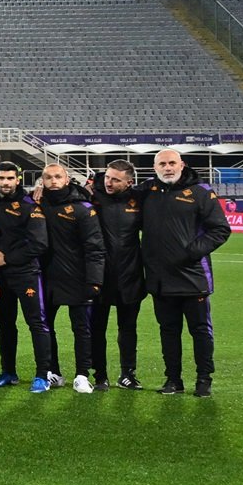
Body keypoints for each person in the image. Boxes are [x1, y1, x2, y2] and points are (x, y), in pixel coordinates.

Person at [137, 148, 230, 396]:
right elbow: (114, 194)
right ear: (155, 168)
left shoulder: (201, 192)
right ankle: (173, 380)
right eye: (162, 164)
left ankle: (203, 380)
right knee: (168, 331)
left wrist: (189, 252)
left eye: (171, 163)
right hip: (159, 279)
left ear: (182, 164)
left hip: (192, 277)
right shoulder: (148, 191)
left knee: (199, 330)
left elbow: (220, 230)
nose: (167, 168)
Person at [34, 161, 104, 393]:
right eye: (48, 178)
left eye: (57, 177)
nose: (53, 182)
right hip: (45, 277)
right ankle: (53, 372)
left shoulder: (82, 208)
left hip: (78, 277)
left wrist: (94, 280)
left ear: (66, 180)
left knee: (82, 329)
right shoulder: (36, 204)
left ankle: (82, 375)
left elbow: (95, 247)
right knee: (45, 327)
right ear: (41, 181)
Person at [0, 162, 52, 389]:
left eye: (9, 178)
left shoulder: (29, 205)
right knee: (5, 325)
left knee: (37, 324)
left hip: (26, 274)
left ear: (18, 179)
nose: (5, 183)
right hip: (0, 277)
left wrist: (7, 258)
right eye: (1, 178)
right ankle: (8, 372)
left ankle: (43, 375)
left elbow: (39, 244)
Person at [91, 160, 147, 389]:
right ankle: (100, 374)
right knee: (97, 328)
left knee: (128, 329)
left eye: (115, 179)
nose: (109, 183)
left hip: (130, 274)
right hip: (99, 275)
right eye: (107, 177)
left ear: (129, 182)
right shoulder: (92, 196)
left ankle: (127, 374)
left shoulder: (141, 200)